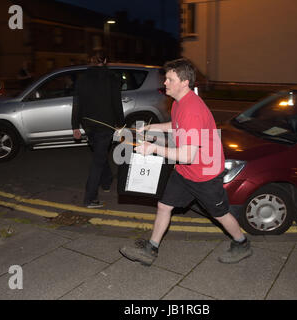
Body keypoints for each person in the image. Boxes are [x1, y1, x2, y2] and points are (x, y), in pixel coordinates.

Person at [119, 58, 252, 265]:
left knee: (220, 214)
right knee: (164, 206)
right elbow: (176, 125)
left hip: (204, 174)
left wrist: (153, 148)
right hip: (185, 171)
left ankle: (242, 243)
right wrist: (150, 128)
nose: (165, 83)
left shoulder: (192, 109)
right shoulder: (179, 103)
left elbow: (187, 155)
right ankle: (151, 249)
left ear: (184, 82)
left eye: (170, 79)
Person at [71, 51, 124, 208]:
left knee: (99, 155)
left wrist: (75, 126)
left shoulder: (82, 79)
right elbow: (116, 102)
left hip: (88, 125)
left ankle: (106, 181)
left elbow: (77, 104)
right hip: (105, 125)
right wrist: (121, 124)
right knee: (98, 160)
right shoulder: (112, 78)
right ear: (106, 60)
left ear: (90, 61)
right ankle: (90, 199)